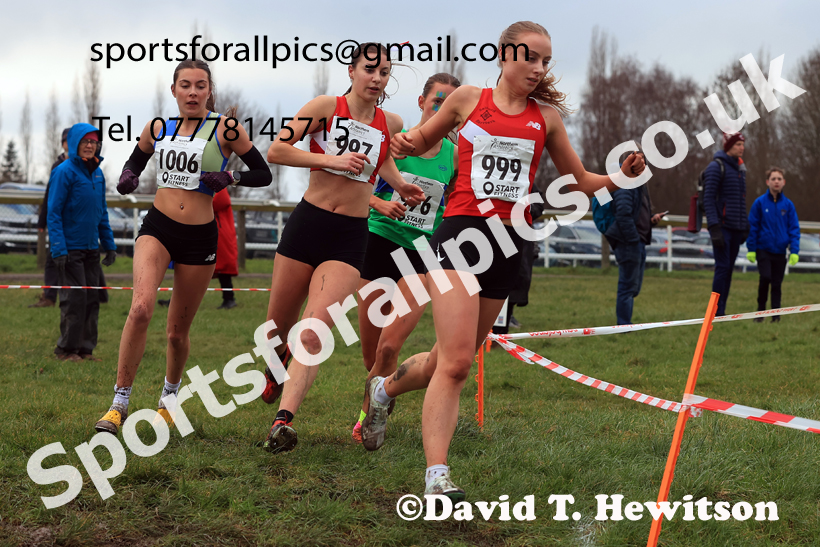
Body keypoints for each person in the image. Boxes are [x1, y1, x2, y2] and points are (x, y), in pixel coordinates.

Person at [360, 21, 646, 500]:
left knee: (445, 361)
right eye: (530, 57)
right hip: (458, 240)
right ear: (504, 54)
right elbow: (418, 140)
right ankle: (437, 477)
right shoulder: (469, 100)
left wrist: (621, 176)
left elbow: (580, 182)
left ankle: (384, 391)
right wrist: (395, 140)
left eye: (546, 61)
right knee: (455, 366)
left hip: (508, 244)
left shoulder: (546, 119)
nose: (538, 68)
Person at [260, 42, 425, 453]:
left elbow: (381, 160)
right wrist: (331, 161)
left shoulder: (391, 121)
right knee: (276, 331)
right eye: (370, 69)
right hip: (308, 225)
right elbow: (276, 150)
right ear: (351, 71)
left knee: (313, 333)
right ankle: (274, 362)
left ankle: (283, 422)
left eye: (384, 72)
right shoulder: (324, 106)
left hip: (351, 235)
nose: (377, 78)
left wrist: (400, 183)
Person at [94, 59, 272, 435]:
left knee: (177, 332)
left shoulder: (226, 128)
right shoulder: (159, 127)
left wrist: (229, 175)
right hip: (158, 227)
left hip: (200, 237)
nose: (192, 92)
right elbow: (136, 160)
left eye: (200, 85)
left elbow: (263, 172)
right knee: (140, 308)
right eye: (185, 85)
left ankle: (168, 400)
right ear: (173, 90)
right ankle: (118, 404)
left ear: (210, 90)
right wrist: (128, 176)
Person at [351, 73, 461, 443]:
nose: (442, 111)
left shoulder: (456, 155)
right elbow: (352, 187)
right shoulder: (394, 144)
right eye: (436, 102)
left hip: (422, 255)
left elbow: (460, 204)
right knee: (372, 355)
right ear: (421, 101)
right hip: (379, 241)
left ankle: (367, 417)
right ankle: (379, 393)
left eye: (450, 107)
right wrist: (382, 202)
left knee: (389, 346)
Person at [47, 124, 117, 362]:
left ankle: (85, 350)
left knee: (92, 299)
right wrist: (58, 248)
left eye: (94, 142)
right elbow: (53, 212)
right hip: (69, 249)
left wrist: (109, 244)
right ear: (75, 143)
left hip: (91, 249)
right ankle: (65, 350)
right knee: (74, 300)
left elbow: (102, 212)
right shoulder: (64, 171)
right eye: (85, 141)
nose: (90, 145)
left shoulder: (98, 172)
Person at [605, 178, 663, 325]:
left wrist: (651, 220)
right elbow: (623, 214)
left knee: (633, 287)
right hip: (629, 243)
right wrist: (633, 239)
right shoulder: (625, 185)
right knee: (627, 286)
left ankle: (624, 322)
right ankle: (624, 325)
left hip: (638, 241)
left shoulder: (640, 187)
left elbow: (636, 214)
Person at [746, 167, 800, 323]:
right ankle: (760, 313)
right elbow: (753, 226)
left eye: (779, 179)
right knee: (765, 277)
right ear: (767, 182)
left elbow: (794, 228)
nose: (776, 181)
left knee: (777, 284)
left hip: (780, 252)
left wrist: (795, 250)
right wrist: (751, 249)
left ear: (783, 182)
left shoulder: (788, 205)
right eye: (773, 179)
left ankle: (776, 316)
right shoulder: (759, 203)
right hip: (763, 249)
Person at [705, 132, 749, 317]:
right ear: (729, 146)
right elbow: (708, 198)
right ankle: (715, 310)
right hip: (722, 228)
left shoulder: (740, 169)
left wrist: (745, 225)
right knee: (722, 268)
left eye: (742, 144)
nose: (742, 147)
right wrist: (714, 227)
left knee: (729, 269)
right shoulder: (716, 167)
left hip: (736, 228)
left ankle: (722, 309)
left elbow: (741, 200)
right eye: (738, 144)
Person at [31, 127, 70, 308]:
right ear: (62, 143)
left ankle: (99, 295)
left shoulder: (85, 165)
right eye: (66, 140)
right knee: (52, 259)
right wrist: (42, 219)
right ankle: (49, 296)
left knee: (85, 258)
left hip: (71, 222)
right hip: (58, 221)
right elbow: (49, 194)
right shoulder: (57, 166)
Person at [212, 188, 239, 310]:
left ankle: (229, 298)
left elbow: (217, 202)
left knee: (223, 268)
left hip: (220, 231)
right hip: (216, 230)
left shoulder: (218, 185)